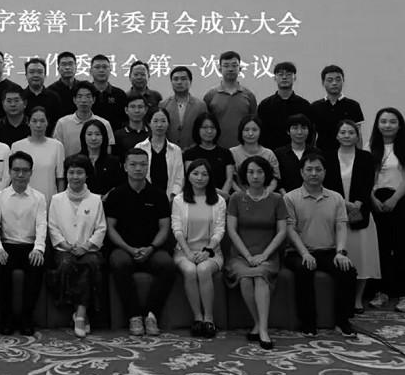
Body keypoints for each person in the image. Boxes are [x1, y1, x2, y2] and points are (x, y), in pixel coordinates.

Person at [284, 152, 357, 338]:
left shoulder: (336, 198)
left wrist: (341, 252)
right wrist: (304, 253)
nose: (314, 173)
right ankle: (308, 323)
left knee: (348, 271)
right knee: (304, 270)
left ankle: (343, 321)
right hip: (298, 251)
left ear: (325, 172)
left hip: (328, 251)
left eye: (318, 169)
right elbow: (290, 230)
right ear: (301, 172)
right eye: (309, 169)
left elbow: (341, 226)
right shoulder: (290, 198)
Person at [105, 148, 174, 336]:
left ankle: (151, 314)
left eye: (143, 164)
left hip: (152, 249)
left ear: (148, 166)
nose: (138, 168)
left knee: (167, 265)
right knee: (119, 263)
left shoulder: (158, 194)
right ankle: (134, 315)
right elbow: (110, 228)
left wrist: (151, 248)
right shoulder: (116, 194)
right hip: (124, 248)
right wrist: (129, 248)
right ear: (125, 167)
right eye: (133, 164)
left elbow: (164, 228)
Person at [225, 156, 288, 350]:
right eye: (251, 172)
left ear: (266, 175)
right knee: (245, 278)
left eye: (260, 172)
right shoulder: (236, 198)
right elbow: (232, 230)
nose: (255, 176)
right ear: (244, 175)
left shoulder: (276, 199)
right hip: (240, 254)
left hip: (268, 254)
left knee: (260, 276)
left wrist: (264, 255)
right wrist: (247, 256)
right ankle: (259, 324)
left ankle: (262, 330)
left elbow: (282, 232)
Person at [0, 151, 48, 335]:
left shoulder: (39, 197)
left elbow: (41, 224)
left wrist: (39, 249)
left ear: (31, 173)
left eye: (25, 170)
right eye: (16, 170)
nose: (20, 174)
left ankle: (26, 317)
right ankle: (6, 317)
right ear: (10, 172)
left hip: (30, 246)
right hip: (7, 245)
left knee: (37, 267)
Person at [47, 154, 107, 338]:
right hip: (64, 249)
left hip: (89, 249)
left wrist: (86, 246)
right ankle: (81, 313)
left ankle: (80, 314)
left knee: (91, 263)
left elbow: (101, 228)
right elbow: (52, 227)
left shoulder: (96, 200)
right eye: (71, 172)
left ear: (86, 175)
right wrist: (66, 245)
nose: (75, 177)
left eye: (79, 172)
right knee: (67, 264)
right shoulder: (56, 199)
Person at [324, 120, 379, 314]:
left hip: (360, 213)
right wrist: (343, 203)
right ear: (337, 135)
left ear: (357, 136)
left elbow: (368, 183)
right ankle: (342, 297)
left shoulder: (366, 157)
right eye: (343, 132)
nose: (347, 136)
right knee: (340, 255)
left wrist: (358, 203)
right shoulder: (328, 157)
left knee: (362, 257)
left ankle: (357, 299)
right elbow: (326, 184)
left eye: (351, 132)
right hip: (335, 210)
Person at [367, 107, 405, 313]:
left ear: (399, 125)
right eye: (383, 121)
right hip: (376, 201)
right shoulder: (370, 146)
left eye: (392, 121)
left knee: (403, 248)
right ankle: (381, 292)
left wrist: (395, 199)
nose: (387, 125)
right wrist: (372, 198)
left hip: (400, 200)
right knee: (380, 248)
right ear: (377, 125)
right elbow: (365, 177)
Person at [171, 159, 227, 339]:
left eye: (204, 174)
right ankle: (197, 318)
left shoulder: (218, 201)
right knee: (190, 270)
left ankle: (209, 319)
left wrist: (207, 251)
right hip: (184, 251)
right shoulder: (179, 200)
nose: (200, 178)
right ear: (188, 176)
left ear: (210, 177)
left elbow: (219, 230)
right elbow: (177, 229)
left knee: (203, 269)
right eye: (195, 173)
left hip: (212, 252)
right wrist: (188, 253)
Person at [11, 106, 66, 204]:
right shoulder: (17, 146)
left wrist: (60, 202)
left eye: (42, 121)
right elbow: (13, 177)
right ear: (28, 122)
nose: (38, 125)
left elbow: (60, 178)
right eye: (34, 121)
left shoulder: (57, 146)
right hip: (22, 200)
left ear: (47, 123)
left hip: (49, 199)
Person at [203, 51, 257, 149]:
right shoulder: (210, 95)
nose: (230, 69)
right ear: (220, 69)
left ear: (240, 69)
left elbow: (254, 124)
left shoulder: (249, 95)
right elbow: (205, 125)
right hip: (217, 149)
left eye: (234, 65)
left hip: (244, 149)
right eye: (226, 66)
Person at [257, 62, 313, 151]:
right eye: (280, 74)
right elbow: (260, 132)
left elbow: (310, 133)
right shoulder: (265, 105)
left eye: (288, 74)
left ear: (295, 77)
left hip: (298, 153)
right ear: (275, 78)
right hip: (271, 153)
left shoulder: (304, 105)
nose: (284, 77)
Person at [52, 81, 115, 158]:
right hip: (70, 164)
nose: (84, 100)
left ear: (93, 100)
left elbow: (107, 151)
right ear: (74, 100)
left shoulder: (104, 123)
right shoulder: (62, 123)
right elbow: (56, 150)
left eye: (88, 96)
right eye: (79, 96)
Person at [310, 65, 364, 152]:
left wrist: (359, 155)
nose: (334, 83)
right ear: (323, 82)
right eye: (330, 80)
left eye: (338, 80)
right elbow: (312, 135)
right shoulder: (315, 107)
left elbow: (358, 135)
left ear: (343, 81)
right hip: (321, 154)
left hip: (348, 154)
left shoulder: (353, 105)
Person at [135, 108, 184, 201]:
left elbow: (179, 177)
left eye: (163, 121)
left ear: (168, 123)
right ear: (149, 123)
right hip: (144, 197)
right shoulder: (140, 147)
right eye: (155, 121)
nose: (159, 125)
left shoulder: (176, 150)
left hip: (169, 198)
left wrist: (173, 196)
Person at [183, 112, 235, 200]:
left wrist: (222, 198)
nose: (209, 131)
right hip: (197, 197)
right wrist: (214, 194)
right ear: (197, 129)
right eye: (205, 127)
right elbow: (192, 179)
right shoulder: (190, 154)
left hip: (222, 199)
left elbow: (229, 179)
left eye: (212, 127)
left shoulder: (226, 153)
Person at [160, 66, 208, 150]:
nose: (179, 82)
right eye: (175, 79)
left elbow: (204, 129)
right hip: (169, 151)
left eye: (183, 79)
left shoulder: (201, 105)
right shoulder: (163, 105)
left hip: (194, 151)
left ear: (190, 81)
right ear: (171, 82)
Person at [229, 115, 280, 193]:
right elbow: (230, 179)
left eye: (254, 130)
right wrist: (242, 194)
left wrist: (265, 194)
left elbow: (275, 178)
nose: (250, 133)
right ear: (241, 132)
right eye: (246, 130)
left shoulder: (269, 154)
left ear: (260, 132)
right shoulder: (232, 152)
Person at [274, 114, 320, 194]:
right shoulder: (279, 154)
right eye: (295, 128)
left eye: (304, 128)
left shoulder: (316, 153)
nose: (299, 132)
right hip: (286, 197)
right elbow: (277, 179)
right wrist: (285, 195)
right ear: (288, 131)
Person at [79, 119, 123, 196]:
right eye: (89, 134)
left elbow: (118, 186)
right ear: (83, 137)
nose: (93, 138)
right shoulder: (77, 161)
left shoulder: (113, 161)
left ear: (104, 137)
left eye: (97, 134)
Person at [23, 57, 62, 135]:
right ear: (26, 75)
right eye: (32, 72)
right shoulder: (21, 97)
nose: (36, 75)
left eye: (40, 72)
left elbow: (58, 122)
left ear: (45, 75)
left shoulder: (54, 97)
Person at [90, 54, 127, 131]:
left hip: (115, 136)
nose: (101, 70)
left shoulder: (119, 94)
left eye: (105, 67)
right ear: (90, 71)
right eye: (97, 67)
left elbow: (124, 120)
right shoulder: (86, 93)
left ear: (110, 70)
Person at [113, 93, 149, 159]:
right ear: (126, 110)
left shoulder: (152, 133)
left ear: (146, 110)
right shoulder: (118, 135)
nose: (137, 110)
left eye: (140, 107)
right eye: (132, 107)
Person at [47, 51, 79, 117]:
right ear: (58, 69)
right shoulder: (50, 90)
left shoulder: (83, 88)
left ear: (76, 67)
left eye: (70, 64)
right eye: (64, 64)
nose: (67, 67)